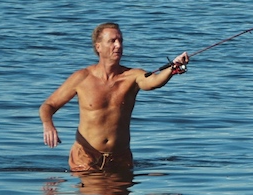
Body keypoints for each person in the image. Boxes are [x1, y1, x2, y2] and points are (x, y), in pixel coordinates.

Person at [39, 22, 190, 172]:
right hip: (86, 157)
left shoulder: (132, 76)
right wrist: (48, 124)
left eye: (120, 41)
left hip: (120, 158)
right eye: (112, 41)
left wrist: (172, 68)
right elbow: (48, 106)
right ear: (98, 47)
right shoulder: (82, 78)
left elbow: (154, 82)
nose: (118, 45)